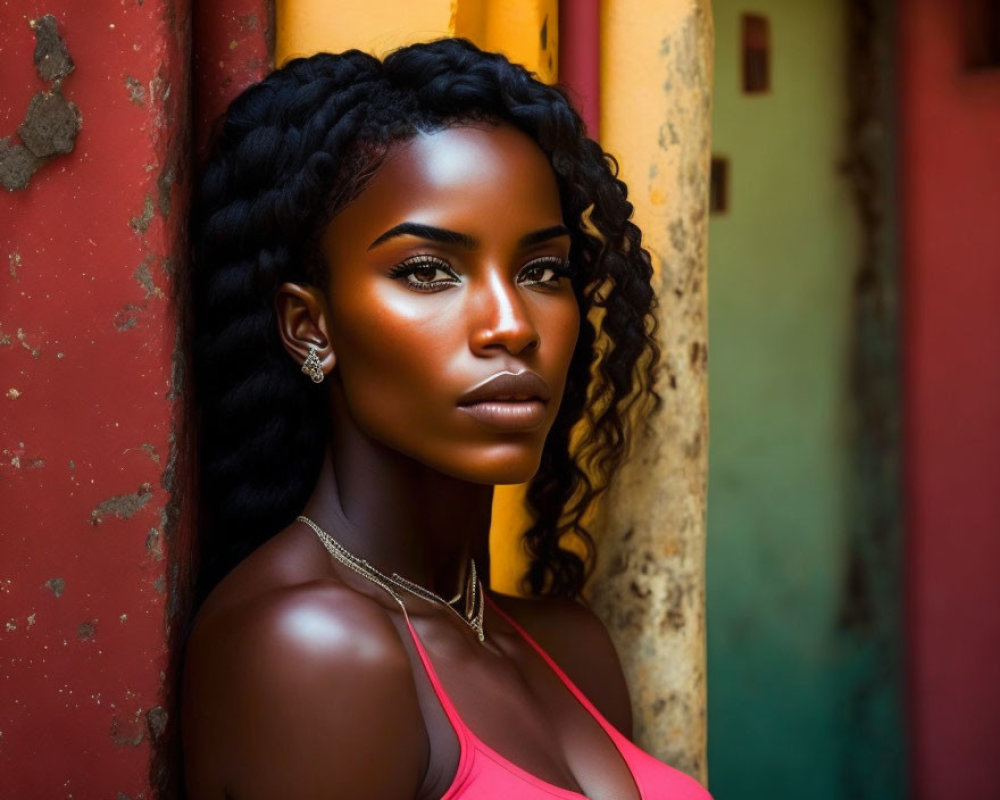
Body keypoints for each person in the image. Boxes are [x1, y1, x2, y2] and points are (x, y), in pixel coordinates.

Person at [175, 37, 712, 800]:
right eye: (428, 271)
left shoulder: (569, 646)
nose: (511, 325)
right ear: (309, 326)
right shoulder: (314, 652)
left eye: (542, 271)